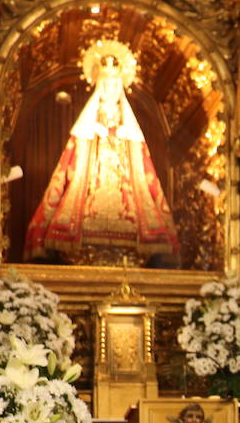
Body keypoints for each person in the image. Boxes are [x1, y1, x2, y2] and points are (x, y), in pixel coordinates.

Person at [25, 39, 180, 264]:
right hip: (92, 179)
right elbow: (70, 163)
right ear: (98, 85)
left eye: (115, 84)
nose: (111, 88)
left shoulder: (129, 125)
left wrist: (121, 135)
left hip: (123, 181)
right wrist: (94, 132)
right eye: (106, 83)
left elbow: (143, 169)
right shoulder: (87, 123)